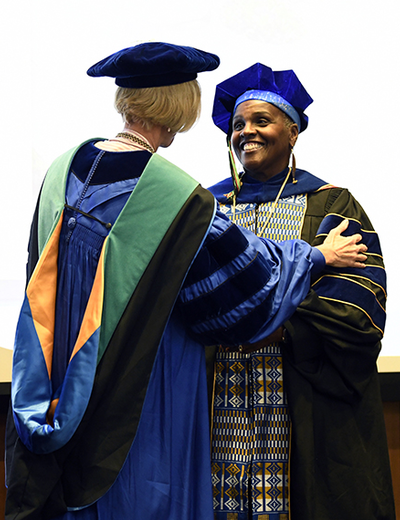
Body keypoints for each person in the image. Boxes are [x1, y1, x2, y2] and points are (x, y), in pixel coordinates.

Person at [5, 45, 367, 520]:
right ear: (180, 107)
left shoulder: (62, 168)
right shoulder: (176, 196)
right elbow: (247, 283)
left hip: (58, 381)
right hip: (139, 391)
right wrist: (315, 256)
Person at [208, 62, 395, 520]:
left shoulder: (332, 203)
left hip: (307, 393)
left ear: (293, 133)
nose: (246, 132)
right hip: (222, 393)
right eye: (238, 124)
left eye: (261, 121)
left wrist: (276, 329)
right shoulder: (207, 207)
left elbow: (359, 305)